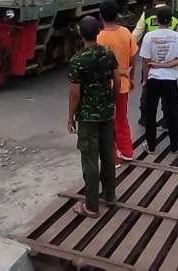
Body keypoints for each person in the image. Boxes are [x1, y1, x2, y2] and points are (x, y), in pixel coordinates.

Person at [67, 15, 118, 218]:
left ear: (80, 33)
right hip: (106, 113)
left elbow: (75, 94)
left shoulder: (77, 60)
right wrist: (111, 102)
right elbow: (117, 80)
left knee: (89, 159)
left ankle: (91, 206)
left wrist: (70, 117)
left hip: (87, 118)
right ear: (98, 32)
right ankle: (110, 195)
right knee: (107, 155)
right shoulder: (108, 53)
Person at [139, 6, 178, 152]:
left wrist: (145, 79)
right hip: (170, 80)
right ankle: (175, 146)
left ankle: (151, 145)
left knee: (150, 113)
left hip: (153, 79)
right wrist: (165, 65)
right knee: (173, 113)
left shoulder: (149, 37)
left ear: (156, 20)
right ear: (172, 21)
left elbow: (145, 60)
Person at [96, 0, 138, 166]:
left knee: (107, 122)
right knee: (122, 118)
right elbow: (133, 57)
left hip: (107, 87)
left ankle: (113, 158)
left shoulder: (100, 38)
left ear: (101, 16)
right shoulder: (126, 32)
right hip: (123, 84)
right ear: (117, 14)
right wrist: (131, 77)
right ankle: (127, 151)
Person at [132, 0, 178, 126]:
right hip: (170, 61)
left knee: (147, 88)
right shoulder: (175, 15)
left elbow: (136, 35)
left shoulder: (147, 14)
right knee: (168, 92)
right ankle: (166, 119)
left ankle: (145, 118)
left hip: (150, 60)